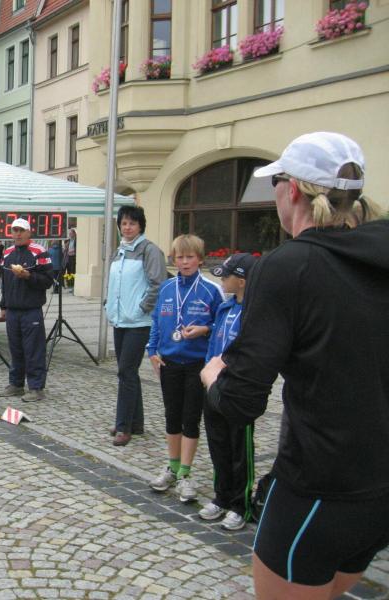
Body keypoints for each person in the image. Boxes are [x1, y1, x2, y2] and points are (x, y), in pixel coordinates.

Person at [200, 132, 388, 599]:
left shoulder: (288, 266)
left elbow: (241, 401)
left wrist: (214, 375)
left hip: (318, 486)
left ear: (295, 191)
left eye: (275, 182)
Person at [146, 234, 222, 503]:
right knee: (172, 416)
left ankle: (186, 474)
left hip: (197, 365)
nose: (185, 262)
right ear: (174, 259)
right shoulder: (167, 288)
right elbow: (157, 321)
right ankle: (172, 466)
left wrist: (205, 329)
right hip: (169, 362)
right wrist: (151, 351)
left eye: (190, 257)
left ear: (200, 259)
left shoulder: (212, 290)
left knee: (191, 418)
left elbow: (221, 325)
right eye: (180, 257)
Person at [197, 253, 257, 532]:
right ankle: (221, 496)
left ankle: (240, 504)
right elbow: (214, 343)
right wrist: (207, 371)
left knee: (239, 449)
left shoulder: (255, 312)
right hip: (214, 385)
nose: (222, 281)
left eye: (227, 276)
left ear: (242, 281)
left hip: (238, 390)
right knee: (218, 444)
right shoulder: (225, 307)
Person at [105, 206, 167, 447]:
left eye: (132, 223)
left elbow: (158, 283)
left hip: (139, 322)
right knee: (128, 371)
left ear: (140, 225)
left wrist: (142, 307)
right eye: (124, 223)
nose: (127, 227)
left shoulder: (149, 250)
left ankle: (123, 427)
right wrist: (108, 304)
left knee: (126, 371)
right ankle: (136, 423)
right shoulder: (119, 250)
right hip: (120, 319)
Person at [0, 218, 54, 403]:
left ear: (29, 232)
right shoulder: (7, 253)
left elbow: (48, 280)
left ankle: (36, 388)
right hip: (13, 310)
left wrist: (29, 276)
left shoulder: (39, 252)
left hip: (31, 310)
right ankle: (16, 384)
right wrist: (3, 306)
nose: (18, 234)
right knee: (15, 349)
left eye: (21, 230)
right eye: (15, 230)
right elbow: (5, 283)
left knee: (34, 350)